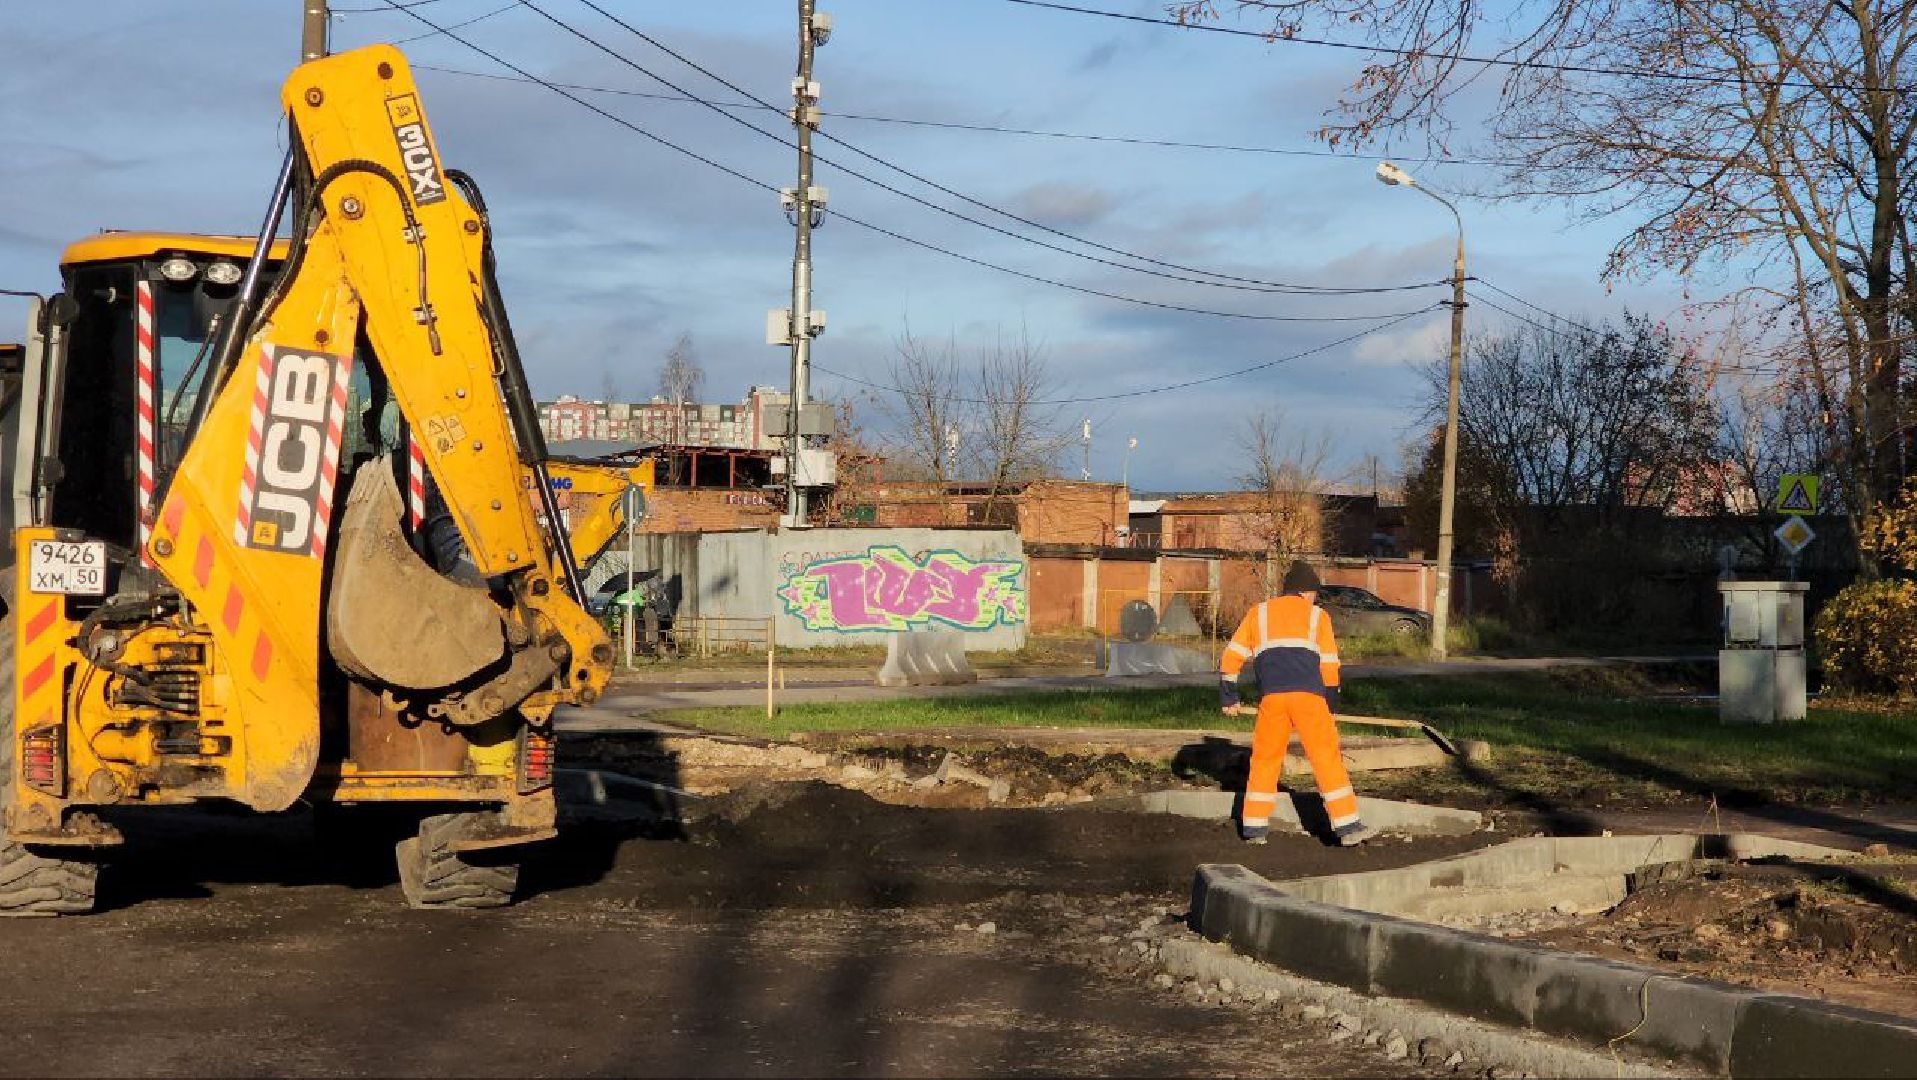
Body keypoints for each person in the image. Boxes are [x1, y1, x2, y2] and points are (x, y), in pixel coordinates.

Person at [1218, 560, 1377, 847]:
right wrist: (1330, 705)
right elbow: (1329, 665)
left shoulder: (1258, 613)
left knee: (1265, 760)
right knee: (1326, 758)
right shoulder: (1317, 616)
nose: (1315, 598)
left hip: (1272, 700)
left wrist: (1229, 696)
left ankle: (1254, 828)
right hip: (1309, 698)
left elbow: (1232, 655)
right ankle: (1347, 826)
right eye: (1315, 593)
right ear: (1305, 592)